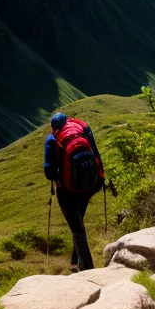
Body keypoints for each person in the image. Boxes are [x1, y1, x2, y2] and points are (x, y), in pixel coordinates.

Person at [43, 112, 105, 272]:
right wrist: (100, 177)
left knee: (77, 230)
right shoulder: (83, 128)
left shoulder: (52, 140)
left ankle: (87, 270)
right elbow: (96, 154)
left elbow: (49, 171)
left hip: (67, 190)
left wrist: (61, 176)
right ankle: (75, 263)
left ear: (53, 127)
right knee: (78, 223)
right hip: (90, 183)